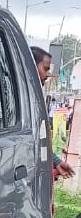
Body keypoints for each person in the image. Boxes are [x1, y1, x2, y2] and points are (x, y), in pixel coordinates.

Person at [32, 46, 76, 180]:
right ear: (31, 66)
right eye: (45, 69)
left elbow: (39, 140)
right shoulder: (16, 97)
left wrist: (56, 162)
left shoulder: (33, 98)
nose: (48, 75)